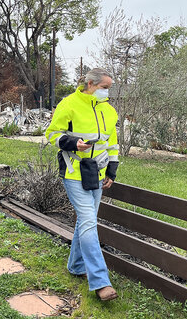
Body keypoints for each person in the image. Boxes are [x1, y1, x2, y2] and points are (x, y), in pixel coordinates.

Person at [45, 68, 120, 301]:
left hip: (97, 174)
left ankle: (76, 265)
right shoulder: (69, 104)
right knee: (88, 221)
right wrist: (73, 142)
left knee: (86, 222)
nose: (107, 92)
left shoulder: (109, 111)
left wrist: (112, 171)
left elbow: (113, 144)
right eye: (103, 87)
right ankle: (100, 281)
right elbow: (51, 134)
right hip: (74, 171)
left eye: (109, 87)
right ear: (90, 84)